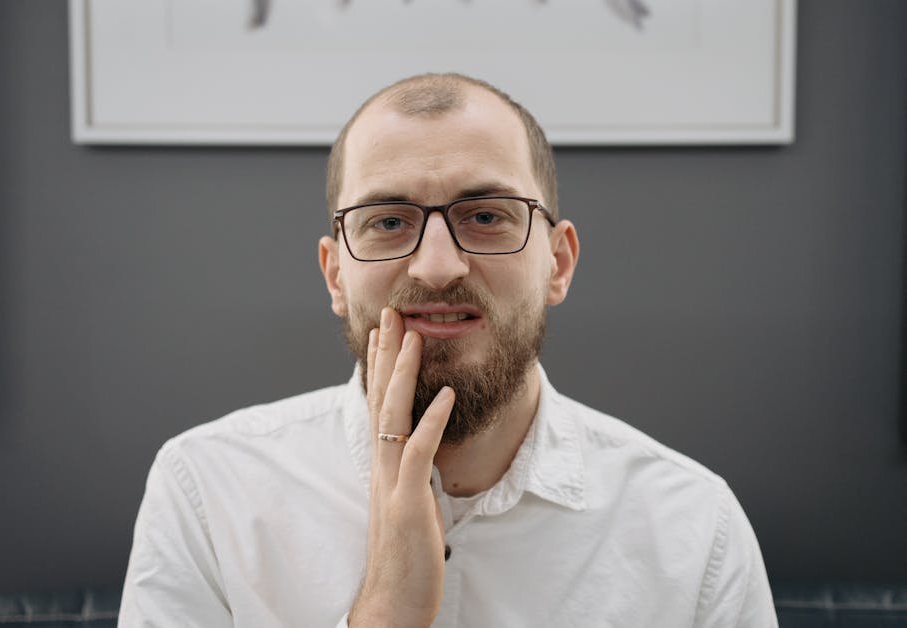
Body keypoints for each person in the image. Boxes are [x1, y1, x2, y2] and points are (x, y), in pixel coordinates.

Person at [118, 73, 777, 627]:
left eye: (486, 215)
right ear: (335, 275)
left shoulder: (694, 531)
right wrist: (384, 613)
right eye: (387, 222)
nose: (436, 267)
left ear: (558, 262)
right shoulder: (206, 494)